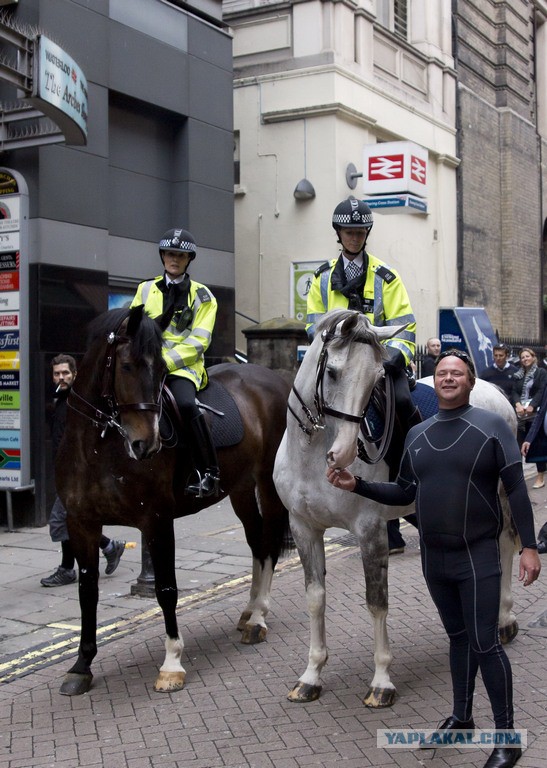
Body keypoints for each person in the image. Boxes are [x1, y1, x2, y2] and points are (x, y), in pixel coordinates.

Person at [326, 350, 541, 768]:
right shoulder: (418, 435)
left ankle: (507, 737)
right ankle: (462, 717)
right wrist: (358, 487)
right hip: (435, 559)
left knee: (485, 643)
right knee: (458, 639)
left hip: (478, 553)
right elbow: (406, 493)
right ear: (433, 380)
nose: (447, 378)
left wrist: (528, 547)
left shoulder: (492, 426)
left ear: (470, 381)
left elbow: (516, 490)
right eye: (441, 372)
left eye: (456, 373)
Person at [130, 227, 219, 497]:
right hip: (147, 366)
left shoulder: (204, 296)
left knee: (185, 404)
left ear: (189, 259)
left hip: (183, 367)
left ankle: (208, 472)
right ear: (162, 255)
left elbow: (199, 341)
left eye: (180, 255)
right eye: (170, 253)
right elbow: (132, 329)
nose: (174, 259)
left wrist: (165, 363)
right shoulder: (144, 290)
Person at [41, 355, 126, 587]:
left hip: (78, 472)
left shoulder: (81, 401)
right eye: (57, 374)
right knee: (74, 520)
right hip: (65, 471)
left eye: (65, 373)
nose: (61, 377)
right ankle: (110, 547)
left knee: (62, 521)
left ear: (75, 374)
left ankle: (68, 569)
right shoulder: (60, 398)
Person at [511, 347, 547, 488]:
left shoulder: (541, 372)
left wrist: (532, 405)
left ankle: (540, 476)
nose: (525, 359)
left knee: (538, 447)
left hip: (535, 413)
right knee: (518, 445)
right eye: (522, 357)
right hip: (521, 414)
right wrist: (518, 404)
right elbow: (514, 391)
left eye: (527, 356)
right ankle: (518, 477)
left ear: (533, 357)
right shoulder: (518, 374)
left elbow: (541, 391)